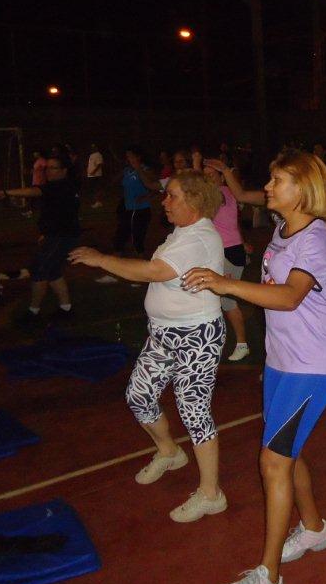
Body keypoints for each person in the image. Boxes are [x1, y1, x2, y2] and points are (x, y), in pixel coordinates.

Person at [183, 151, 326, 584]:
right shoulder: (284, 228)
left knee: (273, 462)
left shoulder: (316, 238)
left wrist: (226, 283)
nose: (268, 187)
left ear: (304, 189)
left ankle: (269, 578)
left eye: (277, 181)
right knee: (286, 450)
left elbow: (290, 296)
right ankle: (313, 528)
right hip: (282, 359)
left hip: (313, 364)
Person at [69, 170, 228, 520]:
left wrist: (102, 259)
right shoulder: (181, 233)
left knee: (194, 410)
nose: (164, 201)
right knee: (139, 396)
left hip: (196, 336)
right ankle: (170, 452)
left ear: (195, 201)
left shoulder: (199, 237)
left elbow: (154, 272)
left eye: (172, 196)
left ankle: (211, 493)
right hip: (164, 334)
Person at [0, 156, 80, 323]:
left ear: (64, 171)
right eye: (47, 168)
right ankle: (66, 308)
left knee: (40, 270)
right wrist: (46, 234)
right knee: (53, 270)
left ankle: (33, 313)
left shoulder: (61, 186)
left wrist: (6, 192)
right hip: (58, 235)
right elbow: (59, 214)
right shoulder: (64, 186)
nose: (48, 171)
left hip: (61, 237)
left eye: (53, 168)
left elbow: (35, 191)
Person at [203, 159, 252, 362]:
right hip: (225, 249)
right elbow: (231, 223)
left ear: (222, 178)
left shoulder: (221, 192)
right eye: (205, 175)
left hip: (229, 252)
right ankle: (215, 339)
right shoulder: (225, 192)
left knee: (227, 301)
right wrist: (243, 240)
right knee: (213, 297)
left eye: (211, 175)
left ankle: (242, 344)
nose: (207, 179)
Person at [108, 147, 158, 265]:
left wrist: (146, 197)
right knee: (121, 233)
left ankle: (142, 265)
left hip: (141, 209)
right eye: (127, 156)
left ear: (138, 157)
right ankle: (116, 262)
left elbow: (156, 188)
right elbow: (114, 182)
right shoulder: (127, 170)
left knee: (138, 237)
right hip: (127, 208)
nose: (128, 158)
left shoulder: (146, 170)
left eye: (130, 156)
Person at [87, 143, 104, 208]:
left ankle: (98, 202)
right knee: (93, 189)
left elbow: (99, 164)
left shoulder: (98, 154)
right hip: (91, 175)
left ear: (96, 148)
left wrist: (93, 171)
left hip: (96, 175)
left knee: (96, 189)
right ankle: (96, 202)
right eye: (92, 147)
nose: (92, 148)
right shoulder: (91, 155)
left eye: (94, 147)